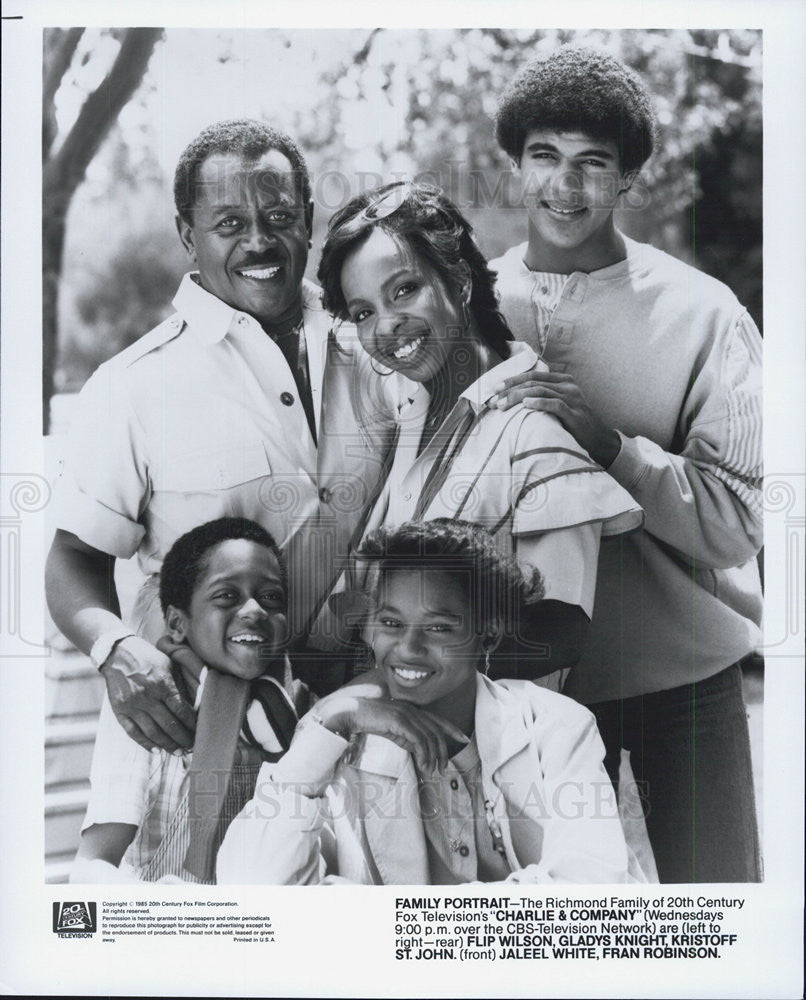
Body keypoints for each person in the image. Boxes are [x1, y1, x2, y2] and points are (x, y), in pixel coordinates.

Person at [487, 46, 763, 882]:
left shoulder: (705, 312)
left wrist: (612, 448)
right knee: (555, 940)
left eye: (592, 164)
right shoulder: (472, 308)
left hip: (688, 682)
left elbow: (741, 521)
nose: (564, 187)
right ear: (516, 165)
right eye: (544, 157)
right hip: (533, 688)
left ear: (628, 179)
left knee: (719, 922)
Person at [46, 119, 399, 756]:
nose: (259, 241)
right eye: (229, 223)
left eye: (278, 216)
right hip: (213, 736)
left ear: (309, 221)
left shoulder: (381, 353)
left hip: (380, 722)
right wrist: (113, 648)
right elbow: (74, 559)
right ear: (189, 237)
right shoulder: (131, 386)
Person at [315, 180, 643, 684]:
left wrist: (388, 676)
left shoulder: (532, 429)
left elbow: (556, 634)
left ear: (460, 281)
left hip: (497, 752)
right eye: (364, 312)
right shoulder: (408, 422)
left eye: (404, 289)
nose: (386, 326)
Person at [217, 519, 636, 885]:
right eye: (391, 623)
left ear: (487, 636)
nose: (408, 647)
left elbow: (588, 892)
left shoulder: (555, 727)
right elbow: (254, 889)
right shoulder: (340, 745)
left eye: (437, 627)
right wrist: (330, 717)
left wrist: (382, 913)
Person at [70, 517, 311, 884]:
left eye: (271, 598)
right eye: (227, 595)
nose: (255, 611)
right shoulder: (148, 704)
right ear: (178, 624)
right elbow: (92, 866)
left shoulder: (299, 708)